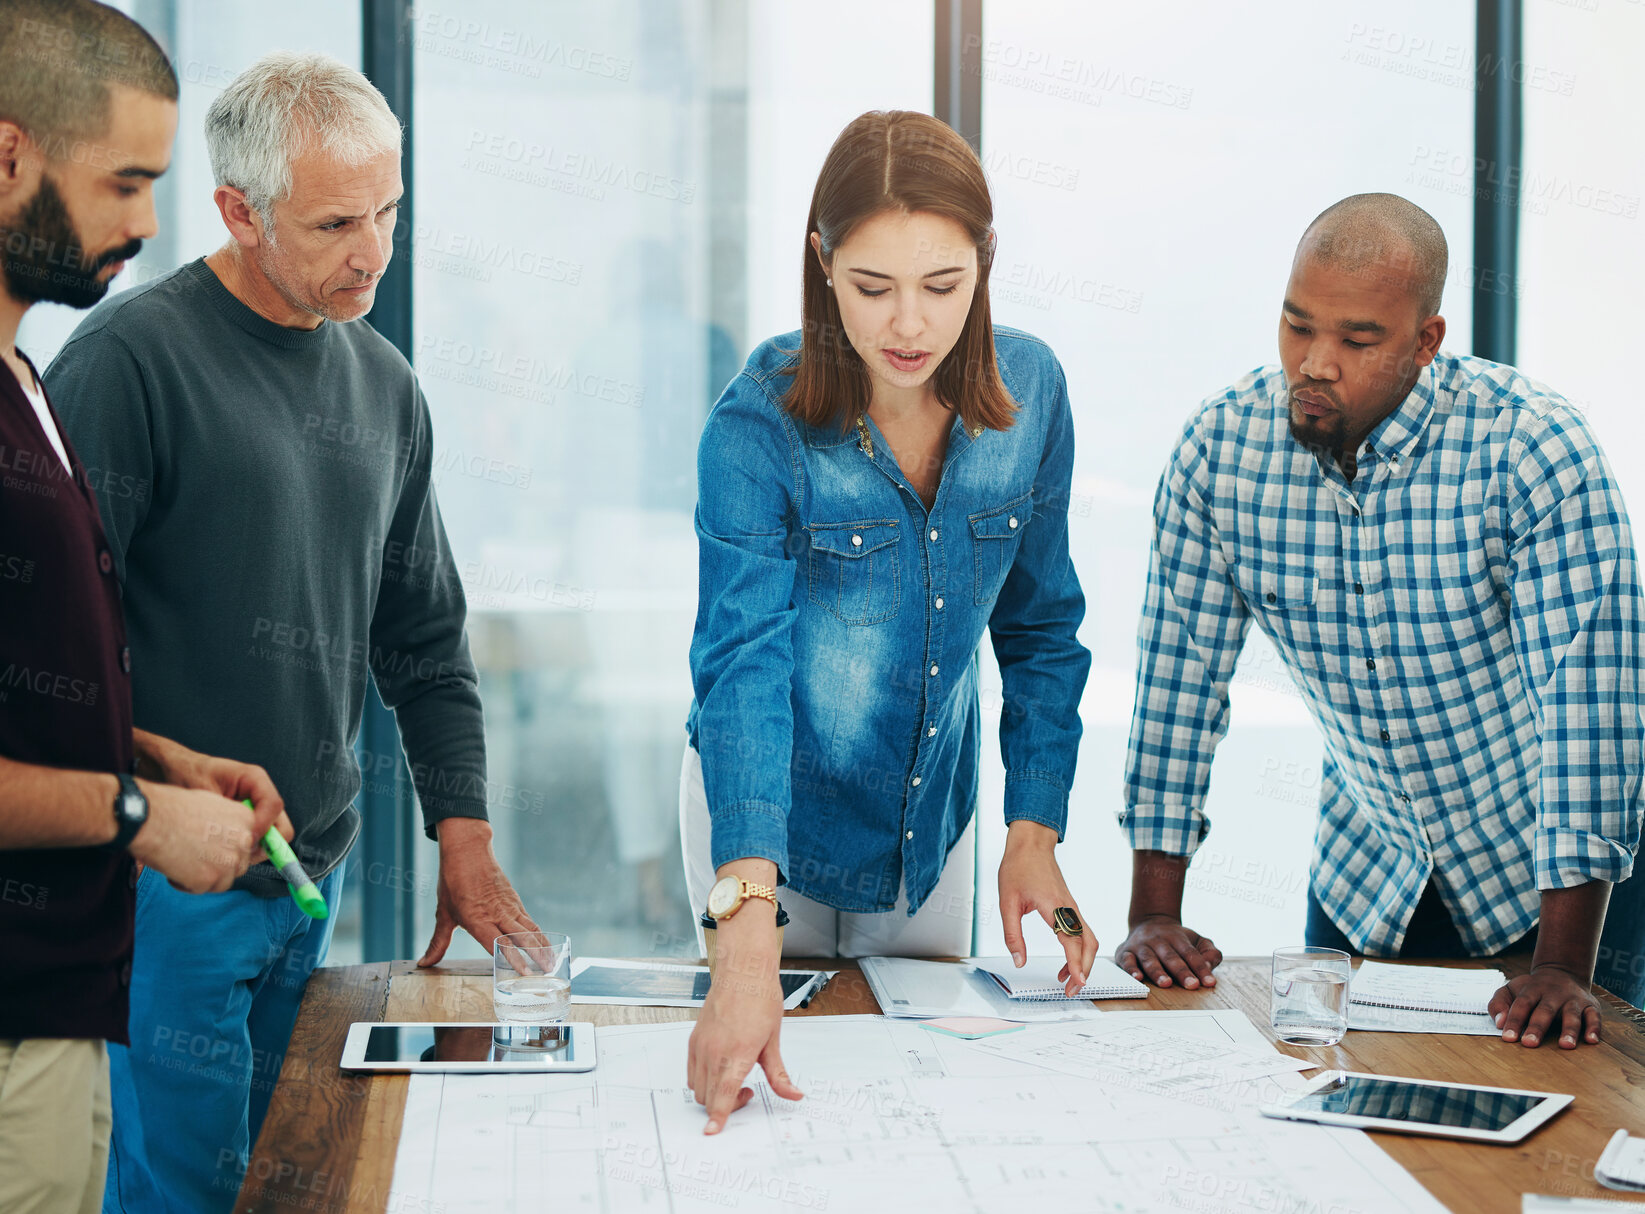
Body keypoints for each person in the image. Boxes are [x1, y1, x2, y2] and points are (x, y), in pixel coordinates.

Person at [45, 53, 538, 1213]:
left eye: (388, 211)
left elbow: (424, 638)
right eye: (333, 222)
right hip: (162, 893)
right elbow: (45, 654)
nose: (372, 249)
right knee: (180, 1194)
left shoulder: (385, 386)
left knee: (284, 1181)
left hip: (304, 884)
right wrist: (150, 817)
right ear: (237, 211)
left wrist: (459, 837)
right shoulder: (126, 366)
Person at [1116, 193, 1642, 1050]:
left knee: (1567, 1131)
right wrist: (1151, 915)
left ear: (1424, 342)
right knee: (1343, 1139)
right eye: (1296, 327)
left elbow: (1589, 706)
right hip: (1370, 874)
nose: (1315, 363)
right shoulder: (1219, 453)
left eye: (1357, 340)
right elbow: (1179, 679)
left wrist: (1561, 967)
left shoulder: (1533, 451)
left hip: (1556, 883)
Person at [683, 109, 1094, 1133]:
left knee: (915, 1110)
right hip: (763, 824)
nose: (907, 325)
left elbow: (1041, 627)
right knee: (767, 1093)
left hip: (929, 830)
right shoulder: (756, 424)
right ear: (822, 264)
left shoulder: (1033, 393)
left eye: (941, 287)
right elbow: (742, 669)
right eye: (872, 288)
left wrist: (1031, 829)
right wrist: (746, 933)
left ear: (985, 262)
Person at [0, 3, 293, 1210]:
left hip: (61, 1011)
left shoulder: (28, 377)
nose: (147, 221)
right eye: (125, 181)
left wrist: (153, 756)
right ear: (8, 156)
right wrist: (139, 815)